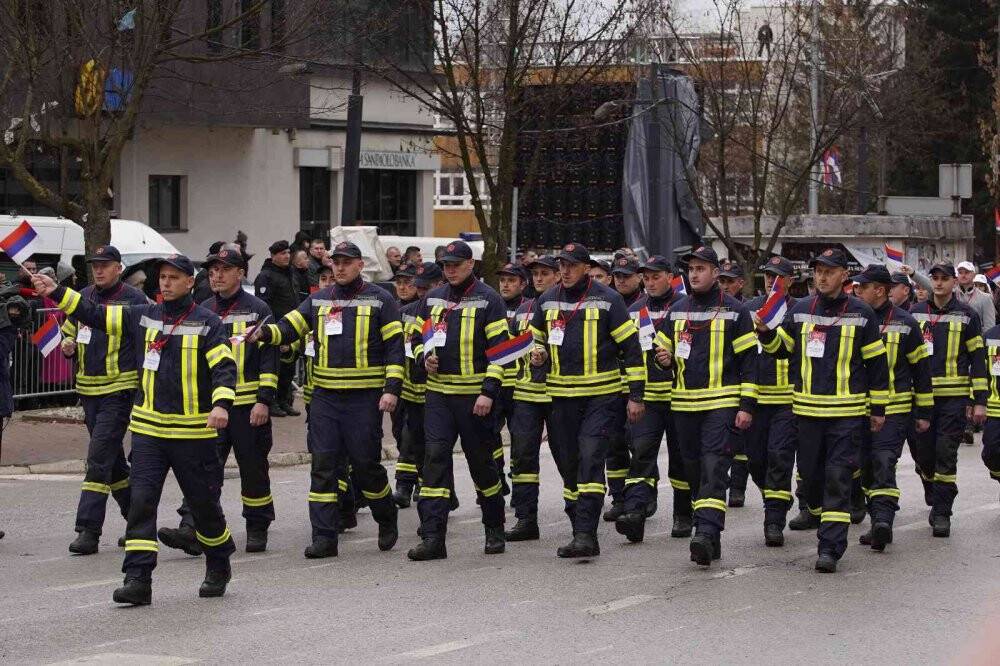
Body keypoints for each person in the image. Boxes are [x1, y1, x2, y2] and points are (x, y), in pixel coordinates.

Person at [34, 254, 238, 605]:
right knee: (142, 504)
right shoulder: (144, 315)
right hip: (148, 433)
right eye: (162, 277)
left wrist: (221, 405)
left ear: (190, 282)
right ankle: (138, 578)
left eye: (174, 277)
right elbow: (96, 314)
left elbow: (224, 367)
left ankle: (219, 562)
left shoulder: (207, 323)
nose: (166, 283)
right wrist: (58, 293)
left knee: (204, 508)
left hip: (193, 435)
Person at [252, 241, 403, 558]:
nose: (340, 267)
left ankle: (386, 515)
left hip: (364, 400)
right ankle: (323, 537)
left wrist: (391, 389)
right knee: (323, 466)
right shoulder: (318, 300)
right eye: (336, 262)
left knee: (365, 465)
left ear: (360, 265)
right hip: (325, 400)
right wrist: (265, 334)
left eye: (347, 262)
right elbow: (288, 327)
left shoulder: (381, 299)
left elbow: (394, 348)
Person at [756, 247, 889, 573]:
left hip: (846, 415)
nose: (822, 277)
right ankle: (818, 514)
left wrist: (878, 408)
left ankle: (830, 548)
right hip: (807, 414)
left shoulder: (862, 313)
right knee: (811, 481)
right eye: (818, 271)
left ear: (844, 275)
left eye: (829, 271)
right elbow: (782, 350)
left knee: (837, 480)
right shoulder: (800, 309)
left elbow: (876, 365)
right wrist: (766, 334)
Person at [158, 245, 279, 555]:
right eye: (212, 271)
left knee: (252, 468)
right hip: (211, 408)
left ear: (240, 273)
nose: (217, 276)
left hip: (247, 407)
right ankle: (192, 528)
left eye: (224, 270)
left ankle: (257, 525)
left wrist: (264, 401)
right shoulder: (203, 309)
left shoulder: (258, 309)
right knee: (201, 470)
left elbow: (269, 360)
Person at [529, 243, 645, 558]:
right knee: (569, 466)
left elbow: (631, 350)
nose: (564, 271)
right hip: (560, 399)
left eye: (570, 265)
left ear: (584, 267)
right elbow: (535, 337)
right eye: (561, 266)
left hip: (600, 398)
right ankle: (577, 523)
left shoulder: (609, 300)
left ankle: (586, 534)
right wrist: (537, 356)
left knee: (591, 458)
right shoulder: (547, 299)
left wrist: (635, 395)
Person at [407, 241, 511, 561]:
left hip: (474, 398)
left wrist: (488, 392)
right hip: (438, 395)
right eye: (445, 265)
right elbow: (416, 337)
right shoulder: (432, 297)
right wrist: (424, 356)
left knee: (482, 465)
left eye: (455, 264)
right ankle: (434, 537)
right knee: (435, 460)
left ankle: (494, 527)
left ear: (471, 264)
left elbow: (501, 352)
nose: (449, 270)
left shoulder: (489, 299)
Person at [659, 246, 756, 566]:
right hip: (684, 404)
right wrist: (664, 359)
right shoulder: (677, 309)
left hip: (722, 402)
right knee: (695, 470)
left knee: (714, 466)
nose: (694, 274)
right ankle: (709, 535)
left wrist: (746, 405)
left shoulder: (735, 311)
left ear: (716, 273)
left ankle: (704, 530)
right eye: (691, 269)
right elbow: (663, 352)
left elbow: (748, 363)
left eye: (701, 269)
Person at [58, 246, 149, 555]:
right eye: (95, 265)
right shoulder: (83, 296)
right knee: (112, 463)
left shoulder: (134, 300)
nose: (98, 270)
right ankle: (137, 521)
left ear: (118, 268)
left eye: (105, 265)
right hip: (89, 391)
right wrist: (67, 343)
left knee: (98, 458)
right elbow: (68, 329)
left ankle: (88, 529)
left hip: (119, 390)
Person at [852, 264, 933, 552]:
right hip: (854, 410)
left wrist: (923, 413)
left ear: (880, 290)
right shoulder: (853, 319)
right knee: (864, 467)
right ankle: (876, 520)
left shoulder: (906, 323)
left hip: (894, 411)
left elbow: (921, 371)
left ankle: (883, 522)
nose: (857, 291)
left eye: (863, 286)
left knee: (884, 461)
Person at [614, 255, 690, 544]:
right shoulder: (634, 311)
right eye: (646, 277)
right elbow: (625, 353)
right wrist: (632, 394)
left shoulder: (684, 307)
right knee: (641, 455)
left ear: (669, 277)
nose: (650, 282)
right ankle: (634, 513)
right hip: (645, 398)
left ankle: (683, 513)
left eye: (656, 276)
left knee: (681, 460)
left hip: (680, 397)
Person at [909, 262, 987, 537]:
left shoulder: (967, 315)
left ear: (954, 282)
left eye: (945, 278)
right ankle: (931, 484)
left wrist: (979, 400)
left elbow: (978, 359)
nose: (939, 283)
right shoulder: (915, 313)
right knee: (924, 456)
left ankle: (942, 513)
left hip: (953, 399)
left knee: (945, 454)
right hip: (921, 398)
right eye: (935, 278)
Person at [743, 256, 798, 546]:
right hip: (756, 397)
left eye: (778, 276)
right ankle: (777, 496)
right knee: (755, 460)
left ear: (790, 281)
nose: (770, 280)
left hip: (788, 400)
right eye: (767, 275)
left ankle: (773, 520)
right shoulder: (750, 310)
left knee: (779, 457)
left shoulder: (798, 311)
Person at [506, 256, 561, 541]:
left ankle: (580, 513)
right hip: (526, 394)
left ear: (557, 276)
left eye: (545, 274)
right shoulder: (523, 311)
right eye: (536, 274)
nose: (539, 279)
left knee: (567, 456)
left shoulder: (563, 307)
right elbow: (511, 350)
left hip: (559, 393)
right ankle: (526, 519)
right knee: (522, 457)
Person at [604, 255, 644, 520]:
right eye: (617, 275)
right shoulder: (608, 303)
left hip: (637, 388)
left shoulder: (646, 306)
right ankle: (619, 497)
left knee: (639, 445)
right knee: (613, 445)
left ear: (638, 277)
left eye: (627, 276)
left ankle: (642, 496)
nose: (621, 280)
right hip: (609, 388)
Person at [254, 241, 302, 417]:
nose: (286, 256)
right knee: (275, 368)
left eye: (288, 253)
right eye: (282, 253)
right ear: (273, 256)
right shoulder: (266, 276)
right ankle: (272, 401)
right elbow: (264, 306)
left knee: (288, 368)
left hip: (291, 328)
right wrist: (272, 331)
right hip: (275, 331)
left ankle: (284, 400)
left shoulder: (290, 273)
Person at [719, 259, 751, 507]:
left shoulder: (747, 310)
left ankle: (738, 488)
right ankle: (724, 480)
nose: (725, 285)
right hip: (721, 384)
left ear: (740, 283)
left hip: (742, 383)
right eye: (722, 281)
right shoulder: (715, 309)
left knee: (740, 442)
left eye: (729, 281)